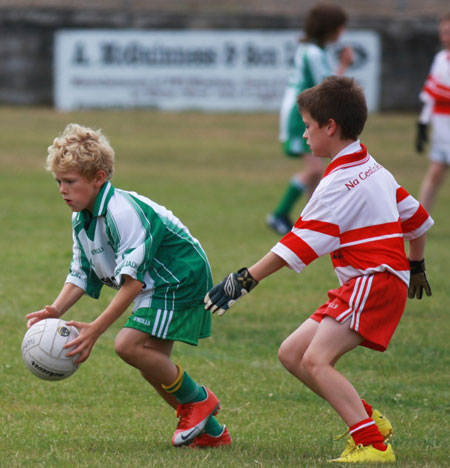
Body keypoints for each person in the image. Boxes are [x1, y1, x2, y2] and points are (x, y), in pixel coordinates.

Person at [205, 76, 433, 463]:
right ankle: (367, 420)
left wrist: (243, 280)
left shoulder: (338, 182)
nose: (305, 134)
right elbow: (418, 220)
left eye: (309, 126)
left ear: (331, 127)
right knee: (292, 353)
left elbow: (298, 243)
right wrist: (417, 265)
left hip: (372, 281)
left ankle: (372, 445)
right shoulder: (373, 167)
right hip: (375, 281)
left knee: (316, 360)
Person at [25, 123, 231, 449]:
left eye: (70, 181)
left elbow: (132, 284)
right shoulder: (82, 218)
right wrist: (55, 309)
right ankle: (212, 434)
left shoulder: (122, 212)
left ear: (99, 177)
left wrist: (95, 329)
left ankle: (200, 401)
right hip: (155, 281)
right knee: (150, 362)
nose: (62, 189)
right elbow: (80, 271)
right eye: (58, 181)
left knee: (127, 345)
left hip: (178, 276)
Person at [266, 3, 354, 235]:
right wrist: (344, 65)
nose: (342, 32)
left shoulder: (312, 49)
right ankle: (278, 214)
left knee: (317, 171)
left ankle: (311, 225)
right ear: (331, 29)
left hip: (303, 111)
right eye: (340, 27)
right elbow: (327, 86)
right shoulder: (313, 52)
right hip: (300, 115)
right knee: (315, 169)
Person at [415, 12, 450, 212]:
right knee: (435, 172)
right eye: (443, 32)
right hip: (442, 127)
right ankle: (419, 220)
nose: (445, 37)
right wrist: (422, 124)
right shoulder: (440, 59)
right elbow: (431, 96)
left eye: (448, 32)